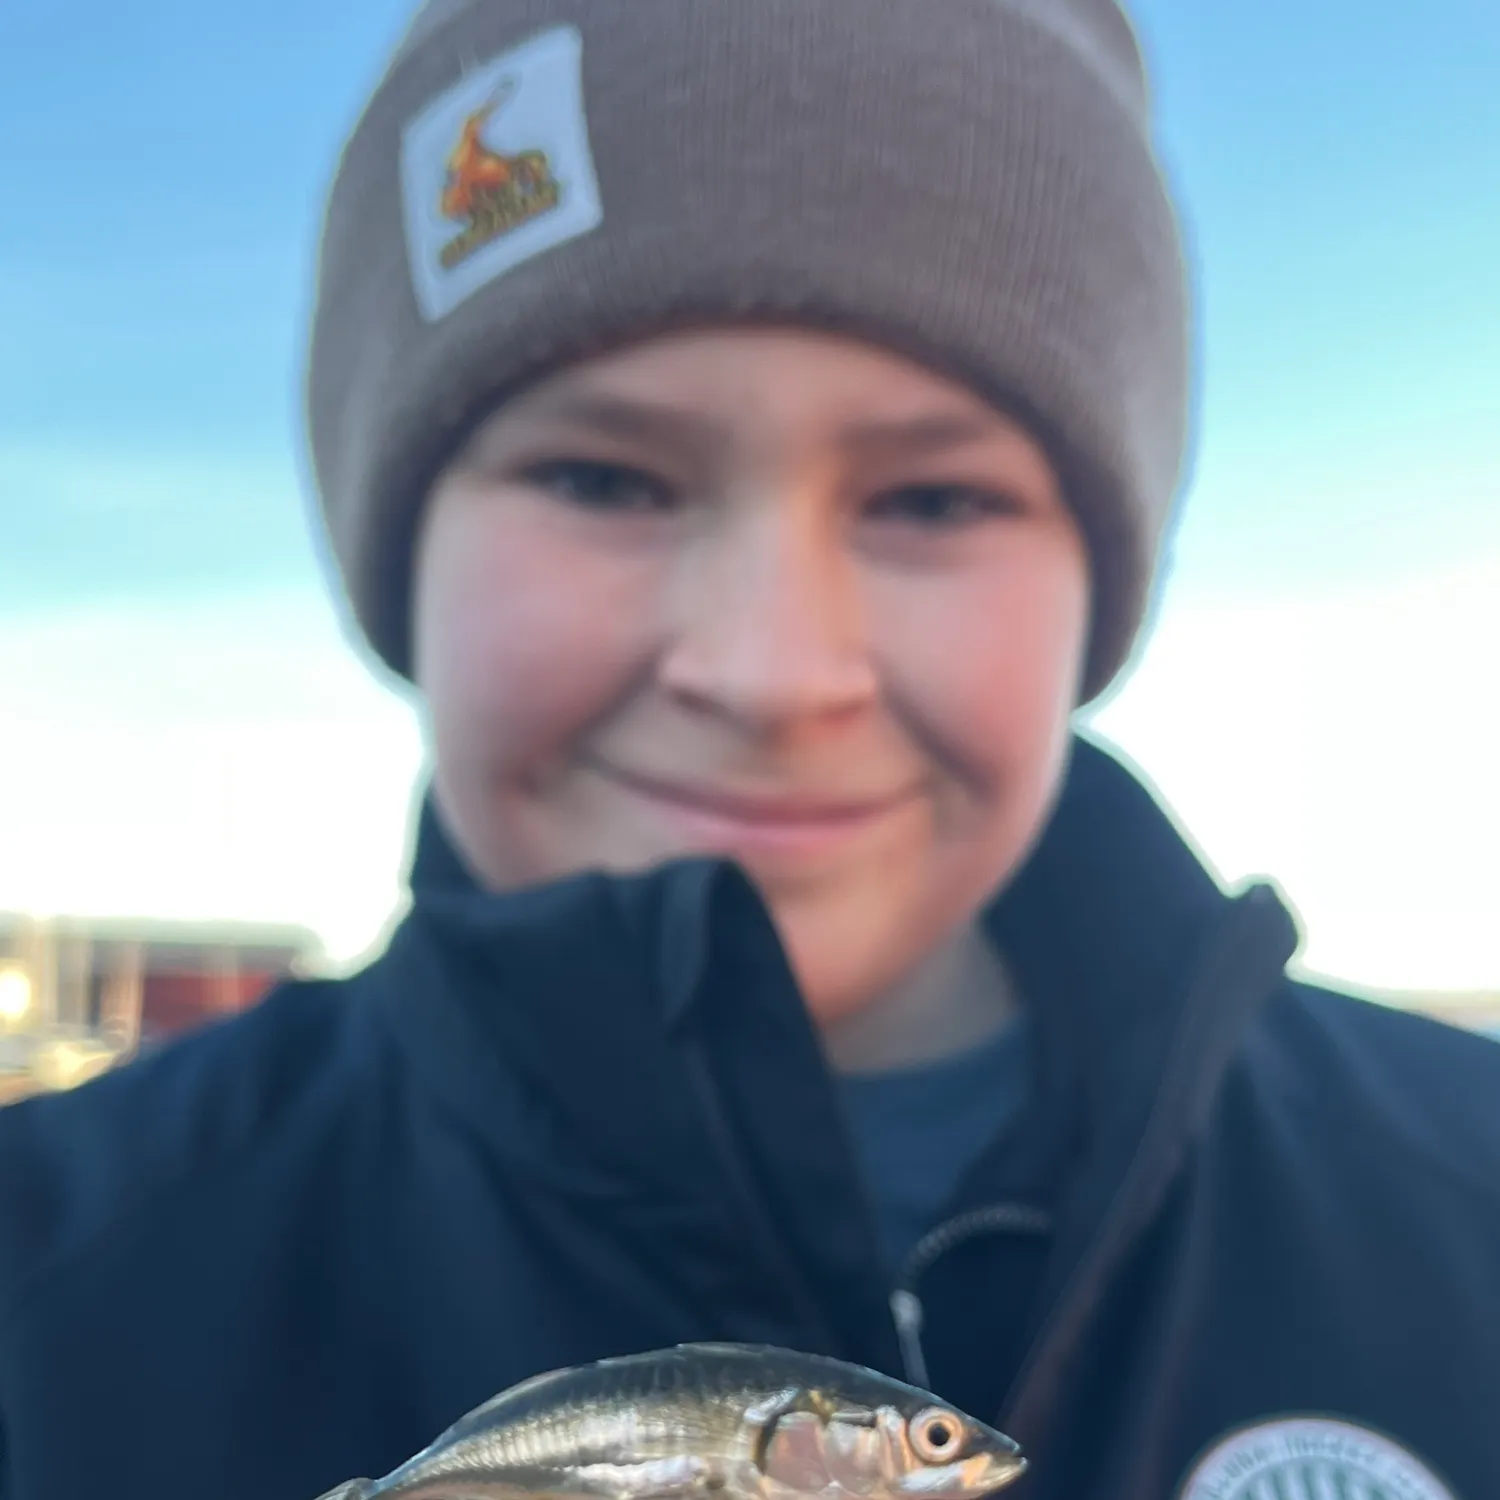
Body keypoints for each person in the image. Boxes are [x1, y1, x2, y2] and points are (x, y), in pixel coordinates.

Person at [1, 2, 1496, 1498]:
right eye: (604, 477)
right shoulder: (51, 1287)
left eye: (933, 501)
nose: (774, 671)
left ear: (1106, 585)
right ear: (395, 556)